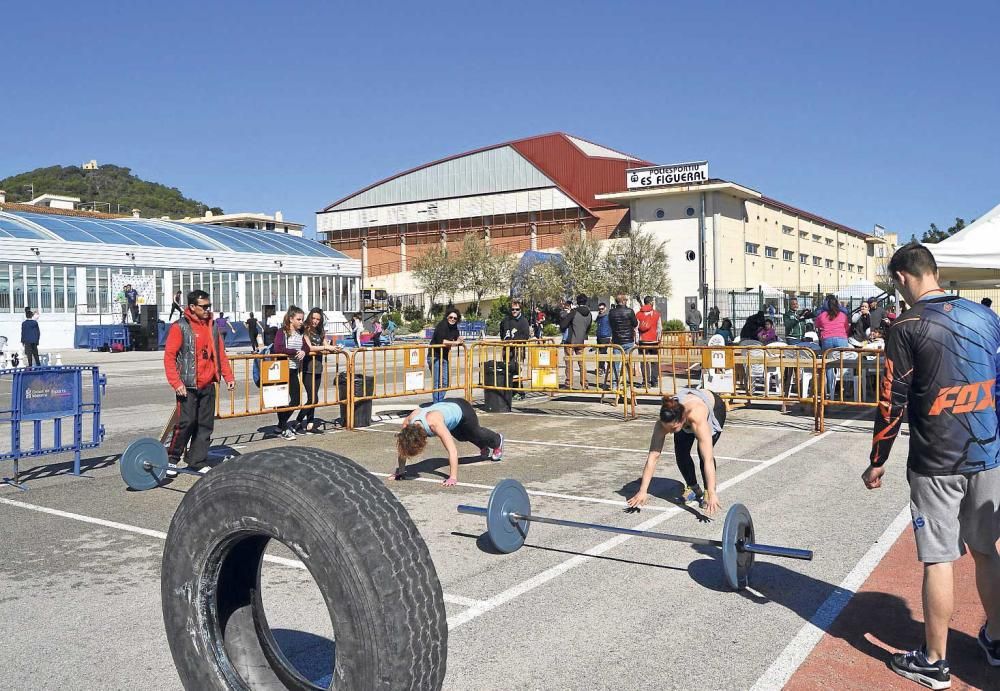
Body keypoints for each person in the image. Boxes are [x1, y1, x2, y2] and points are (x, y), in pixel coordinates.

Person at [863, 243, 1000, 688]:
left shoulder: (905, 325)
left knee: (939, 559)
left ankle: (935, 660)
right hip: (988, 454)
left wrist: (877, 461)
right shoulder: (986, 317)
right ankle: (997, 640)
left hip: (937, 461)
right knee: (985, 550)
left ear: (902, 277)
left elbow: (891, 402)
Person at [163, 290, 235, 471]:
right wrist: (176, 383)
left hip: (208, 383)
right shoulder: (179, 327)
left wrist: (228, 376)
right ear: (192, 307)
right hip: (187, 385)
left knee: (205, 424)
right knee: (186, 423)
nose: (207, 309)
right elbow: (169, 357)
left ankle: (197, 460)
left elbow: (220, 353)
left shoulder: (212, 326)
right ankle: (172, 458)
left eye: (208, 306)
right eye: (203, 306)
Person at [626, 390, 726, 515]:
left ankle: (707, 490)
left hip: (714, 406)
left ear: (682, 419)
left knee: (703, 454)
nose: (671, 432)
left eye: (673, 429)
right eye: (667, 429)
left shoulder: (697, 417)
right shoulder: (664, 423)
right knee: (681, 452)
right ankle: (693, 487)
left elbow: (708, 460)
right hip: (684, 413)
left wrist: (712, 492)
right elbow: (653, 457)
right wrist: (642, 491)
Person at [394, 399, 504, 486]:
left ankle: (497, 441)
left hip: (462, 408)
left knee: (475, 432)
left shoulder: (435, 424)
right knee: (461, 437)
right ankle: (482, 445)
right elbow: (403, 447)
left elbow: (452, 450)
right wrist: (401, 471)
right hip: (447, 409)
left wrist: (452, 477)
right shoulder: (408, 423)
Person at [295, 308, 344, 434]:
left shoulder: (320, 331)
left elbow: (324, 346)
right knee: (313, 398)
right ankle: (298, 420)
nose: (315, 321)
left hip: (318, 367)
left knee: (314, 396)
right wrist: (326, 347)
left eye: (318, 319)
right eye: (314, 318)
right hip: (307, 367)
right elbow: (310, 347)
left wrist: (334, 348)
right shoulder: (304, 329)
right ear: (310, 317)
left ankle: (310, 423)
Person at [272, 306, 309, 440]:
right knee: (281, 399)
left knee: (296, 399)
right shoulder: (282, 332)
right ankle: (282, 426)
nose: (301, 322)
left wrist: (304, 351)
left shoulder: (301, 332)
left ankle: (281, 425)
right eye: (298, 319)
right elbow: (278, 348)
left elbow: (306, 345)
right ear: (291, 319)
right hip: (282, 368)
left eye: (302, 319)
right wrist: (295, 352)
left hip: (293, 369)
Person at [815, 295, 850, 399]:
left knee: (829, 365)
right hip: (842, 339)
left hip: (827, 340)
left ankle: (831, 390)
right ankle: (845, 388)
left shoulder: (821, 315)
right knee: (845, 364)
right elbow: (847, 328)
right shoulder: (843, 315)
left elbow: (817, 326)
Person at [429, 309, 463, 403]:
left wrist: (460, 339)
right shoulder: (442, 325)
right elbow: (442, 341)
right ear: (447, 317)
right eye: (451, 317)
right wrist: (455, 342)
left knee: (445, 382)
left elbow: (456, 337)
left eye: (455, 318)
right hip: (434, 356)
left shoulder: (454, 327)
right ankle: (437, 403)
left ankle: (440, 401)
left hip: (444, 356)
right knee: (436, 383)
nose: (452, 319)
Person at [499, 301, 531, 399]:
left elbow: (526, 336)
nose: (514, 311)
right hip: (507, 349)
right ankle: (510, 391)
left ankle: (519, 391)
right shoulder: (506, 320)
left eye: (517, 309)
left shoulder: (523, 321)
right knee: (507, 369)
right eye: (513, 309)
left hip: (518, 349)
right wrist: (506, 342)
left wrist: (516, 342)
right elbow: (502, 332)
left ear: (520, 310)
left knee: (517, 370)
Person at [608, 294, 638, 393]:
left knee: (616, 363)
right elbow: (635, 324)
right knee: (628, 363)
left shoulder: (612, 312)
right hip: (628, 340)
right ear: (624, 301)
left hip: (617, 340)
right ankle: (629, 382)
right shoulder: (629, 311)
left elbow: (611, 324)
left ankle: (614, 384)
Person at [564, 294, 593, 388]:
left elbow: (563, 324)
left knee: (569, 362)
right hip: (581, 341)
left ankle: (569, 383)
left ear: (577, 301)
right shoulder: (589, 314)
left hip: (571, 341)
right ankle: (585, 382)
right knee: (582, 363)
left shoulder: (574, 312)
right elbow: (588, 327)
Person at [636, 296, 662, 387]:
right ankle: (654, 381)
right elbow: (659, 328)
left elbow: (636, 329)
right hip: (654, 341)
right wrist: (659, 339)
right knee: (655, 361)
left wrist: (637, 340)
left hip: (643, 341)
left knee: (644, 361)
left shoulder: (638, 314)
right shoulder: (656, 314)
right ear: (651, 302)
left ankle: (646, 382)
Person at [595, 302, 612, 377]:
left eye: (602, 309)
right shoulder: (598, 316)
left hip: (606, 337)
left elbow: (612, 326)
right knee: (602, 353)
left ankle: (602, 369)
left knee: (602, 353)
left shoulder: (608, 316)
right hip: (599, 336)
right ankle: (610, 365)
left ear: (605, 308)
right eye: (599, 309)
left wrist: (611, 336)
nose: (600, 310)